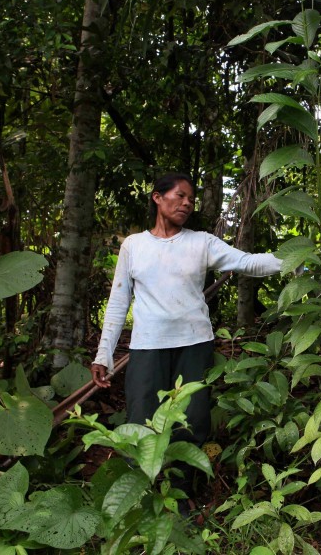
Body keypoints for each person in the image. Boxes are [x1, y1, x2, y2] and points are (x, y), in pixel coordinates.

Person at [90, 172, 282, 496]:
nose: (186, 203)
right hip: (148, 347)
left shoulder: (201, 242)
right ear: (157, 197)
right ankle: (141, 495)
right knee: (141, 420)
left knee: (191, 421)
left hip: (194, 345)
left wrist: (297, 261)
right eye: (179, 195)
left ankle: (180, 496)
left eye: (191, 199)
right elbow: (118, 302)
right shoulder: (134, 246)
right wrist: (103, 354)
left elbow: (247, 262)